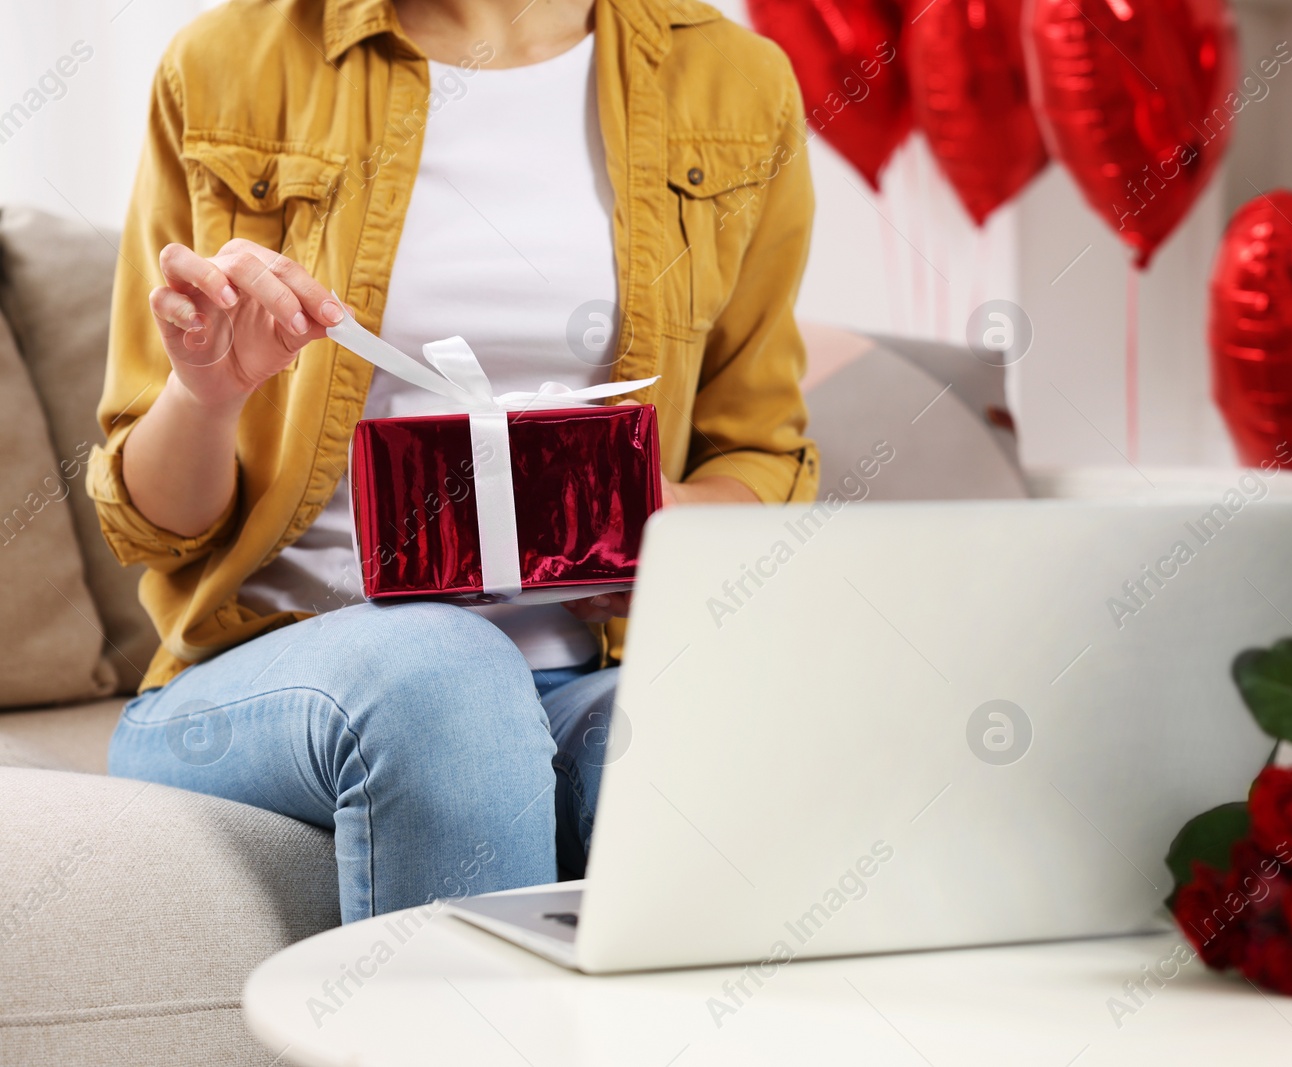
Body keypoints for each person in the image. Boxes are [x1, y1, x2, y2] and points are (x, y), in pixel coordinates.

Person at [92, 0, 818, 923]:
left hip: (582, 667)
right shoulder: (226, 65)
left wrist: (663, 523)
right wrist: (206, 391)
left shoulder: (736, 84)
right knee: (445, 675)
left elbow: (760, 455)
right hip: (269, 670)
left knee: (707, 719)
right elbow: (151, 522)